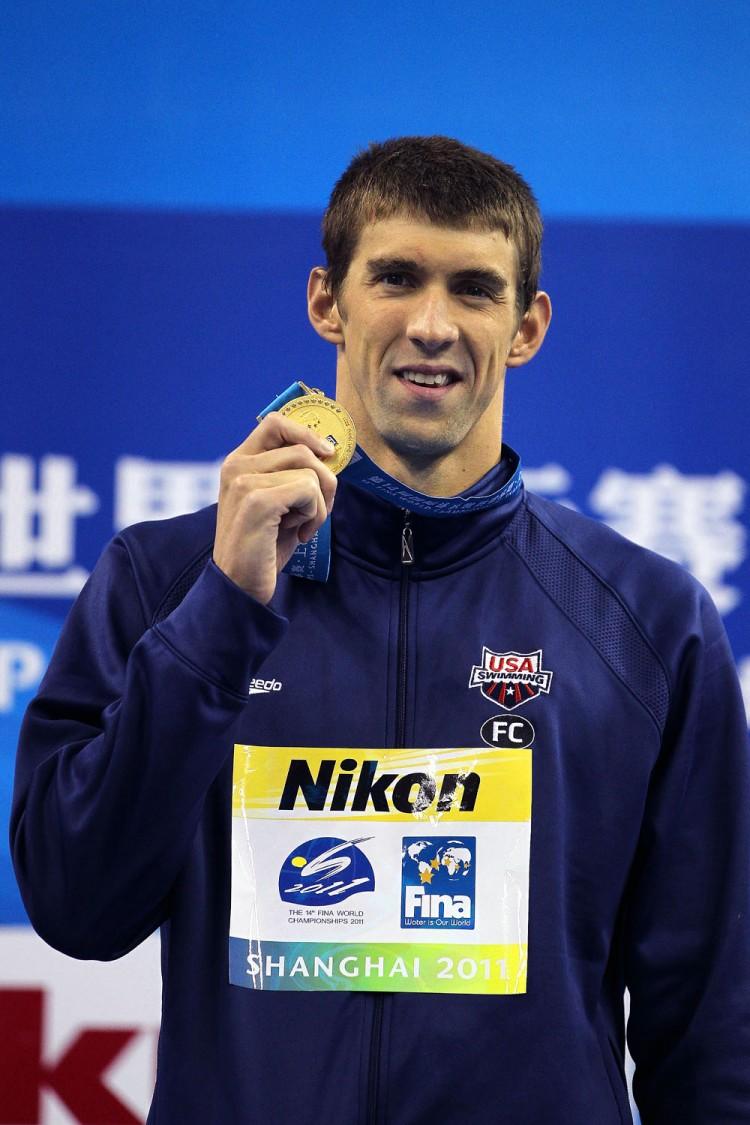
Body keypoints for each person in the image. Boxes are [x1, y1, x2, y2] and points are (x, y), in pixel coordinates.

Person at [11, 136, 750, 1124]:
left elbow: (711, 1031)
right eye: (395, 278)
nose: (432, 324)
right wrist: (225, 610)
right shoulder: (164, 583)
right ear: (328, 301)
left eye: (475, 289)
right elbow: (76, 908)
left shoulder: (652, 621)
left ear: (527, 325)